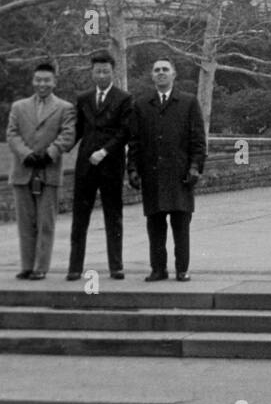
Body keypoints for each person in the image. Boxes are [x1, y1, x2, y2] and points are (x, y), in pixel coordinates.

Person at [127, 58, 206, 282]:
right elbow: (134, 141)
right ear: (152, 76)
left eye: (165, 70)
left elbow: (198, 141)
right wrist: (132, 169)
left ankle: (182, 269)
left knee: (181, 226)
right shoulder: (142, 105)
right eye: (157, 70)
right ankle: (158, 269)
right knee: (155, 226)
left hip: (180, 176)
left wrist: (194, 167)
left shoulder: (188, 102)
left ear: (174, 75)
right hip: (152, 176)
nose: (161, 73)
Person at [6, 61, 77, 280]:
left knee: (46, 222)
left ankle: (40, 266)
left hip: (48, 172)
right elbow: (12, 133)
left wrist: (49, 154)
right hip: (23, 171)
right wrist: (26, 154)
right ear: (33, 81)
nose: (42, 84)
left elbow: (67, 135)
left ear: (55, 81)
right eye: (38, 79)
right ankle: (27, 265)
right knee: (25, 222)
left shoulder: (65, 108)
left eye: (47, 80)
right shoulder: (18, 107)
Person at [66, 50, 133, 281]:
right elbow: (78, 129)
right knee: (80, 215)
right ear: (91, 73)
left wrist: (104, 151)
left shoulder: (124, 98)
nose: (102, 74)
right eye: (97, 71)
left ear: (112, 72)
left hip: (111, 164)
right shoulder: (84, 98)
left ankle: (116, 266)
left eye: (106, 70)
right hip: (86, 165)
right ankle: (75, 267)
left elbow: (125, 131)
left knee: (113, 216)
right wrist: (60, 147)